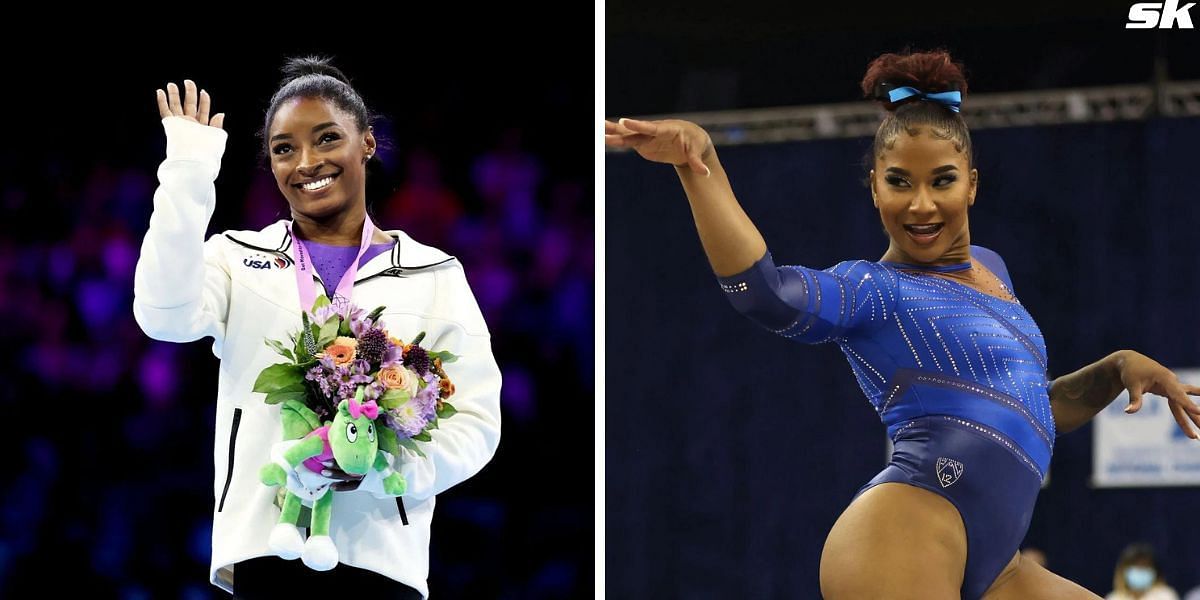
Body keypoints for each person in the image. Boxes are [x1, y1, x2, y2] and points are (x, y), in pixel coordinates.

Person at [605, 49, 1200, 599]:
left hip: (1001, 563)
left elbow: (1027, 413)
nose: (920, 205)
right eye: (899, 182)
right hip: (905, 531)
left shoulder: (994, 271)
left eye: (941, 180)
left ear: (972, 183)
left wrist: (1117, 367)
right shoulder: (871, 289)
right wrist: (699, 165)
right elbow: (765, 295)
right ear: (874, 188)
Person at [134, 56, 502, 599]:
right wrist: (188, 173)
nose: (307, 162)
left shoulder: (434, 274)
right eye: (284, 148)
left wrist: (393, 472)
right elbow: (161, 315)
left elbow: (477, 419)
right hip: (266, 550)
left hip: (380, 555)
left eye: (327, 139)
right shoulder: (237, 258)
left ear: (367, 144)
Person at [1106, 543, 1179, 600]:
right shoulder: (1114, 597)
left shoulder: (1166, 595)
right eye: (1136, 566)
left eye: (1145, 566)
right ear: (1123, 570)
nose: (1140, 570)